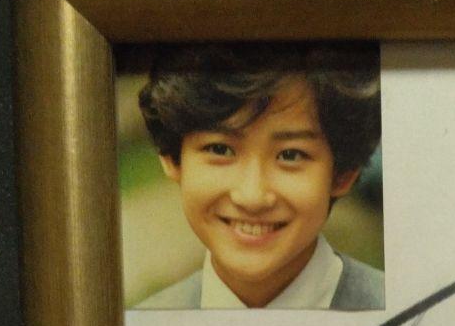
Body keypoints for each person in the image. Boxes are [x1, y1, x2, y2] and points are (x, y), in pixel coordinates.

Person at [136, 42, 383, 310]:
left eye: (291, 155)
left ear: (342, 174)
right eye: (220, 149)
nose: (252, 197)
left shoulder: (405, 316)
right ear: (172, 158)